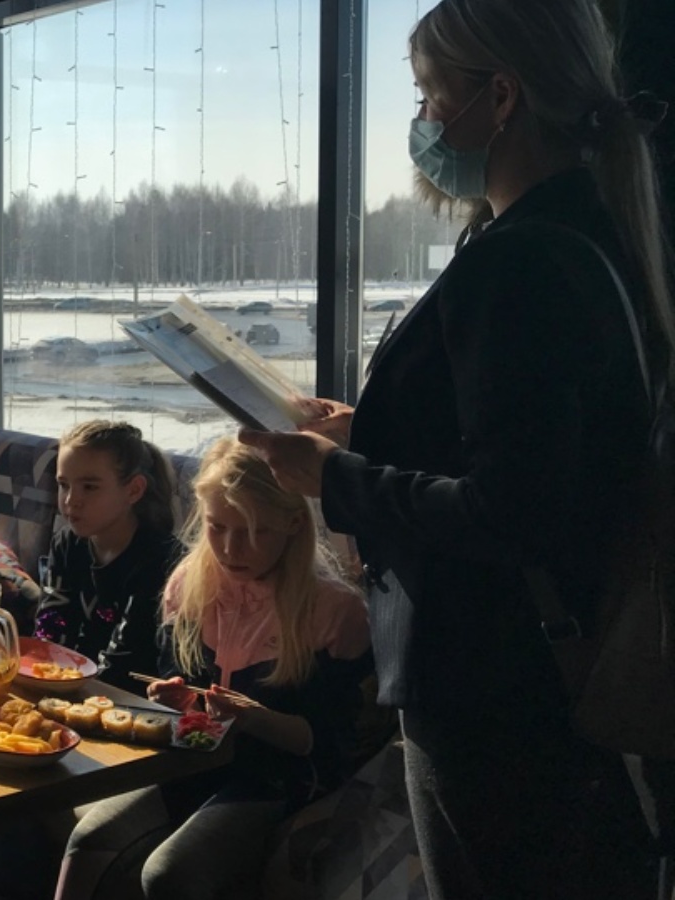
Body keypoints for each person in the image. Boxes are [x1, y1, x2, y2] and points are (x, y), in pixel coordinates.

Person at [240, 1, 670, 895]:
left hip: (500, 697)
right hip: (551, 685)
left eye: (431, 95)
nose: (423, 122)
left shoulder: (519, 262)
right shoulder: (592, 235)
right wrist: (370, 435)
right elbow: (539, 452)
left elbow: (513, 511)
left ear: (501, 98)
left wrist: (336, 478)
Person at [56, 438, 370, 900]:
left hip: (275, 776)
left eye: (254, 531)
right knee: (88, 840)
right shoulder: (188, 584)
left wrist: (253, 717)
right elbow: (184, 700)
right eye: (216, 527)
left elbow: (331, 744)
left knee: (169, 873)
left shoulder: (335, 612)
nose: (229, 548)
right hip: (193, 762)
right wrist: (181, 703)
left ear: (293, 524)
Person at [36, 420, 183, 683]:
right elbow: (51, 627)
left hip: (128, 695)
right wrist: (42, 673)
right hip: (72, 685)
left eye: (89, 487)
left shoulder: (161, 561)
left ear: (134, 490)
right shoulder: (67, 544)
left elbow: (125, 662)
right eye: (64, 484)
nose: (71, 500)